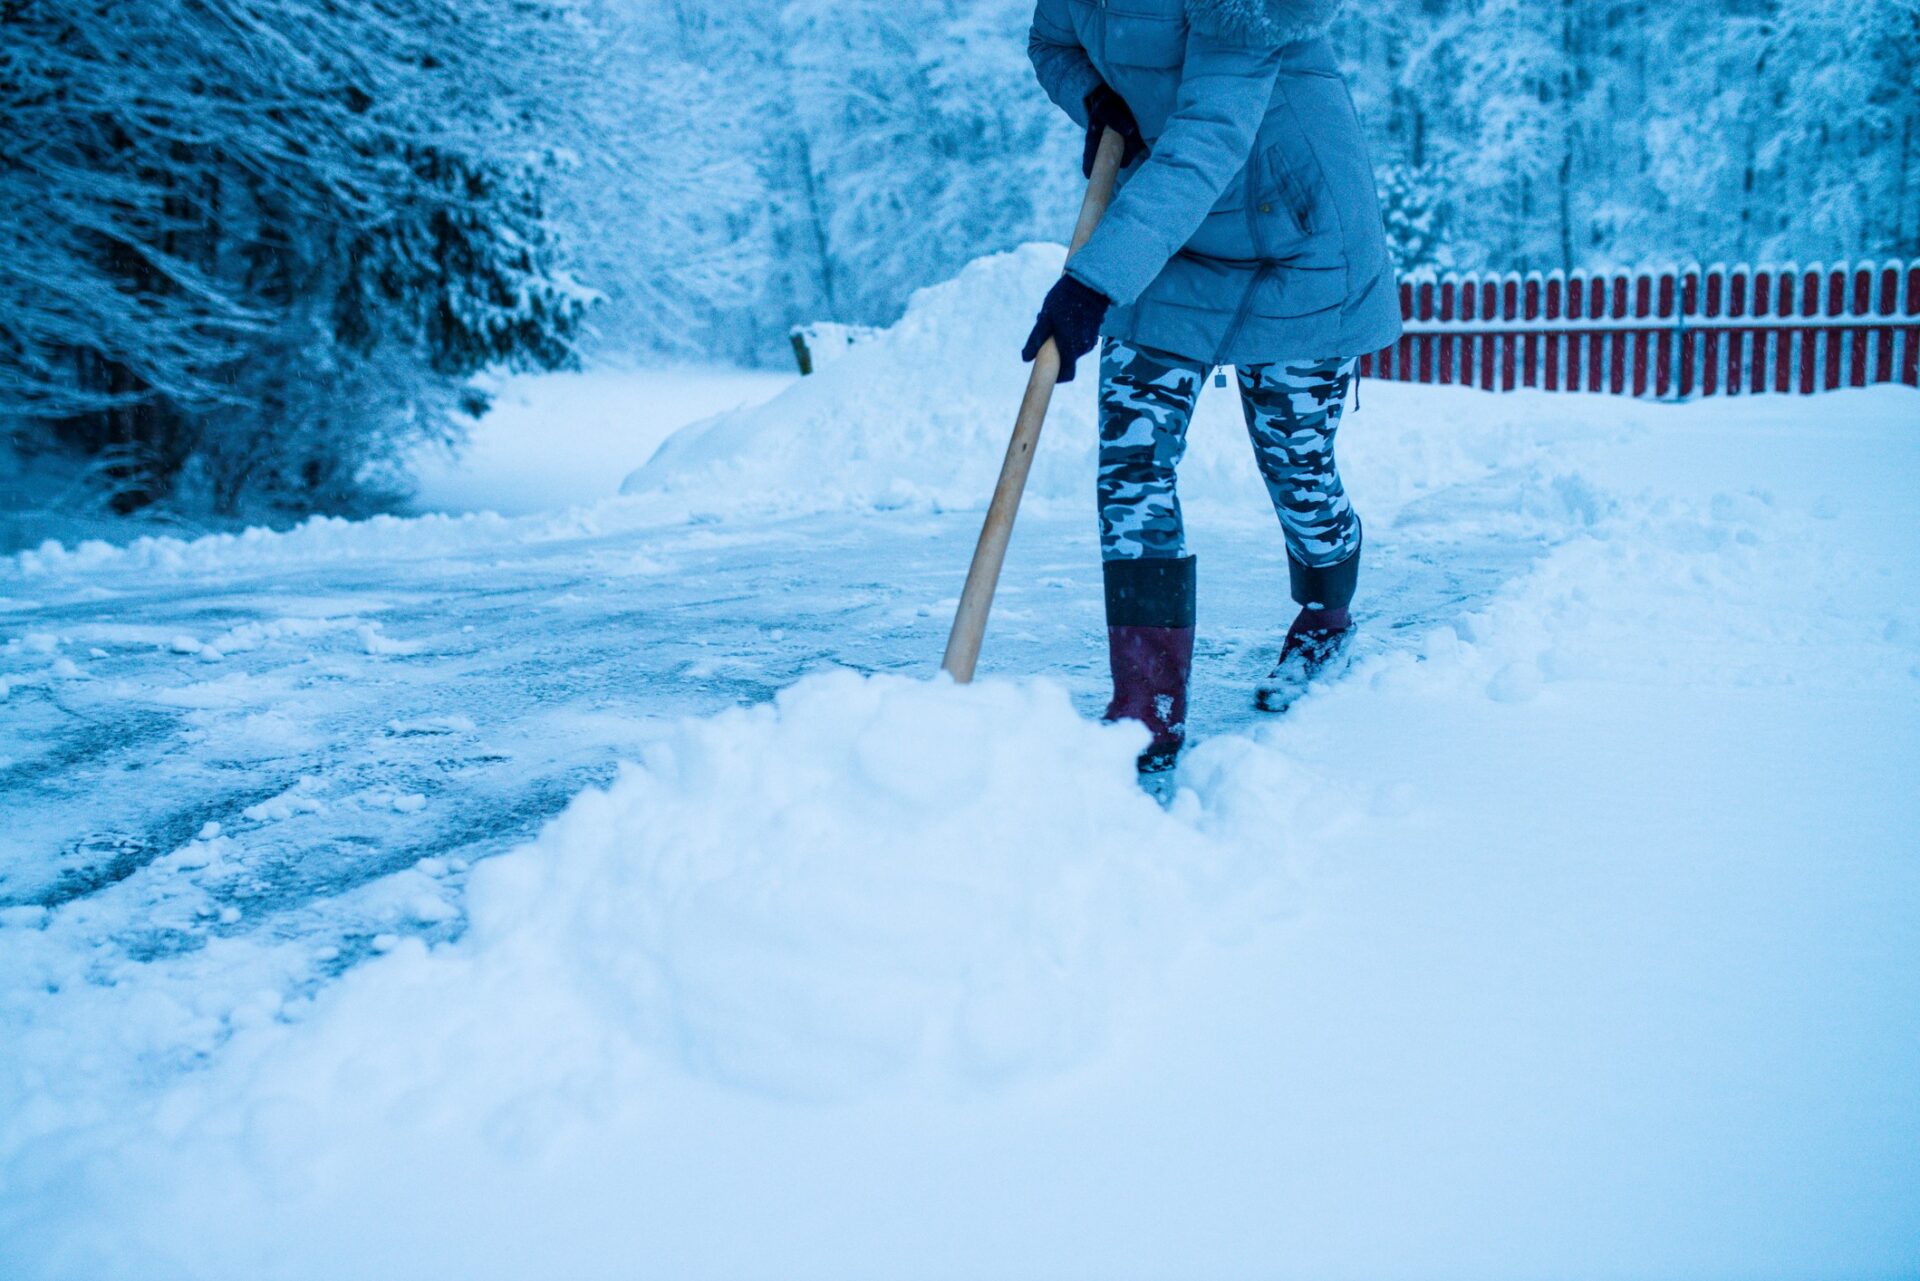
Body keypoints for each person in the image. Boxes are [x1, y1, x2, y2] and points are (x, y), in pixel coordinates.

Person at [1023, 0, 1401, 772]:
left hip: (1298, 234)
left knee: (1296, 460)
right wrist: (1096, 98)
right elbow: (1051, 40)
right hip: (1171, 232)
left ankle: (1327, 610)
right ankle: (1146, 703)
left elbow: (1209, 137)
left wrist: (1094, 282)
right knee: (1132, 458)